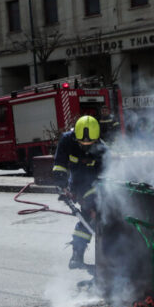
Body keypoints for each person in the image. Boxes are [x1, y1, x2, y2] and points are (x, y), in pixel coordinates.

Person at [52, 115, 106, 269]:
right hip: (75, 182)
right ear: (76, 136)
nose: (86, 146)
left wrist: (94, 203)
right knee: (88, 217)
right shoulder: (67, 140)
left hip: (94, 184)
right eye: (82, 143)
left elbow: (105, 176)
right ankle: (77, 253)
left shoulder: (102, 150)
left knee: (92, 215)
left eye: (90, 144)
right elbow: (59, 164)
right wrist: (61, 185)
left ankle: (109, 256)